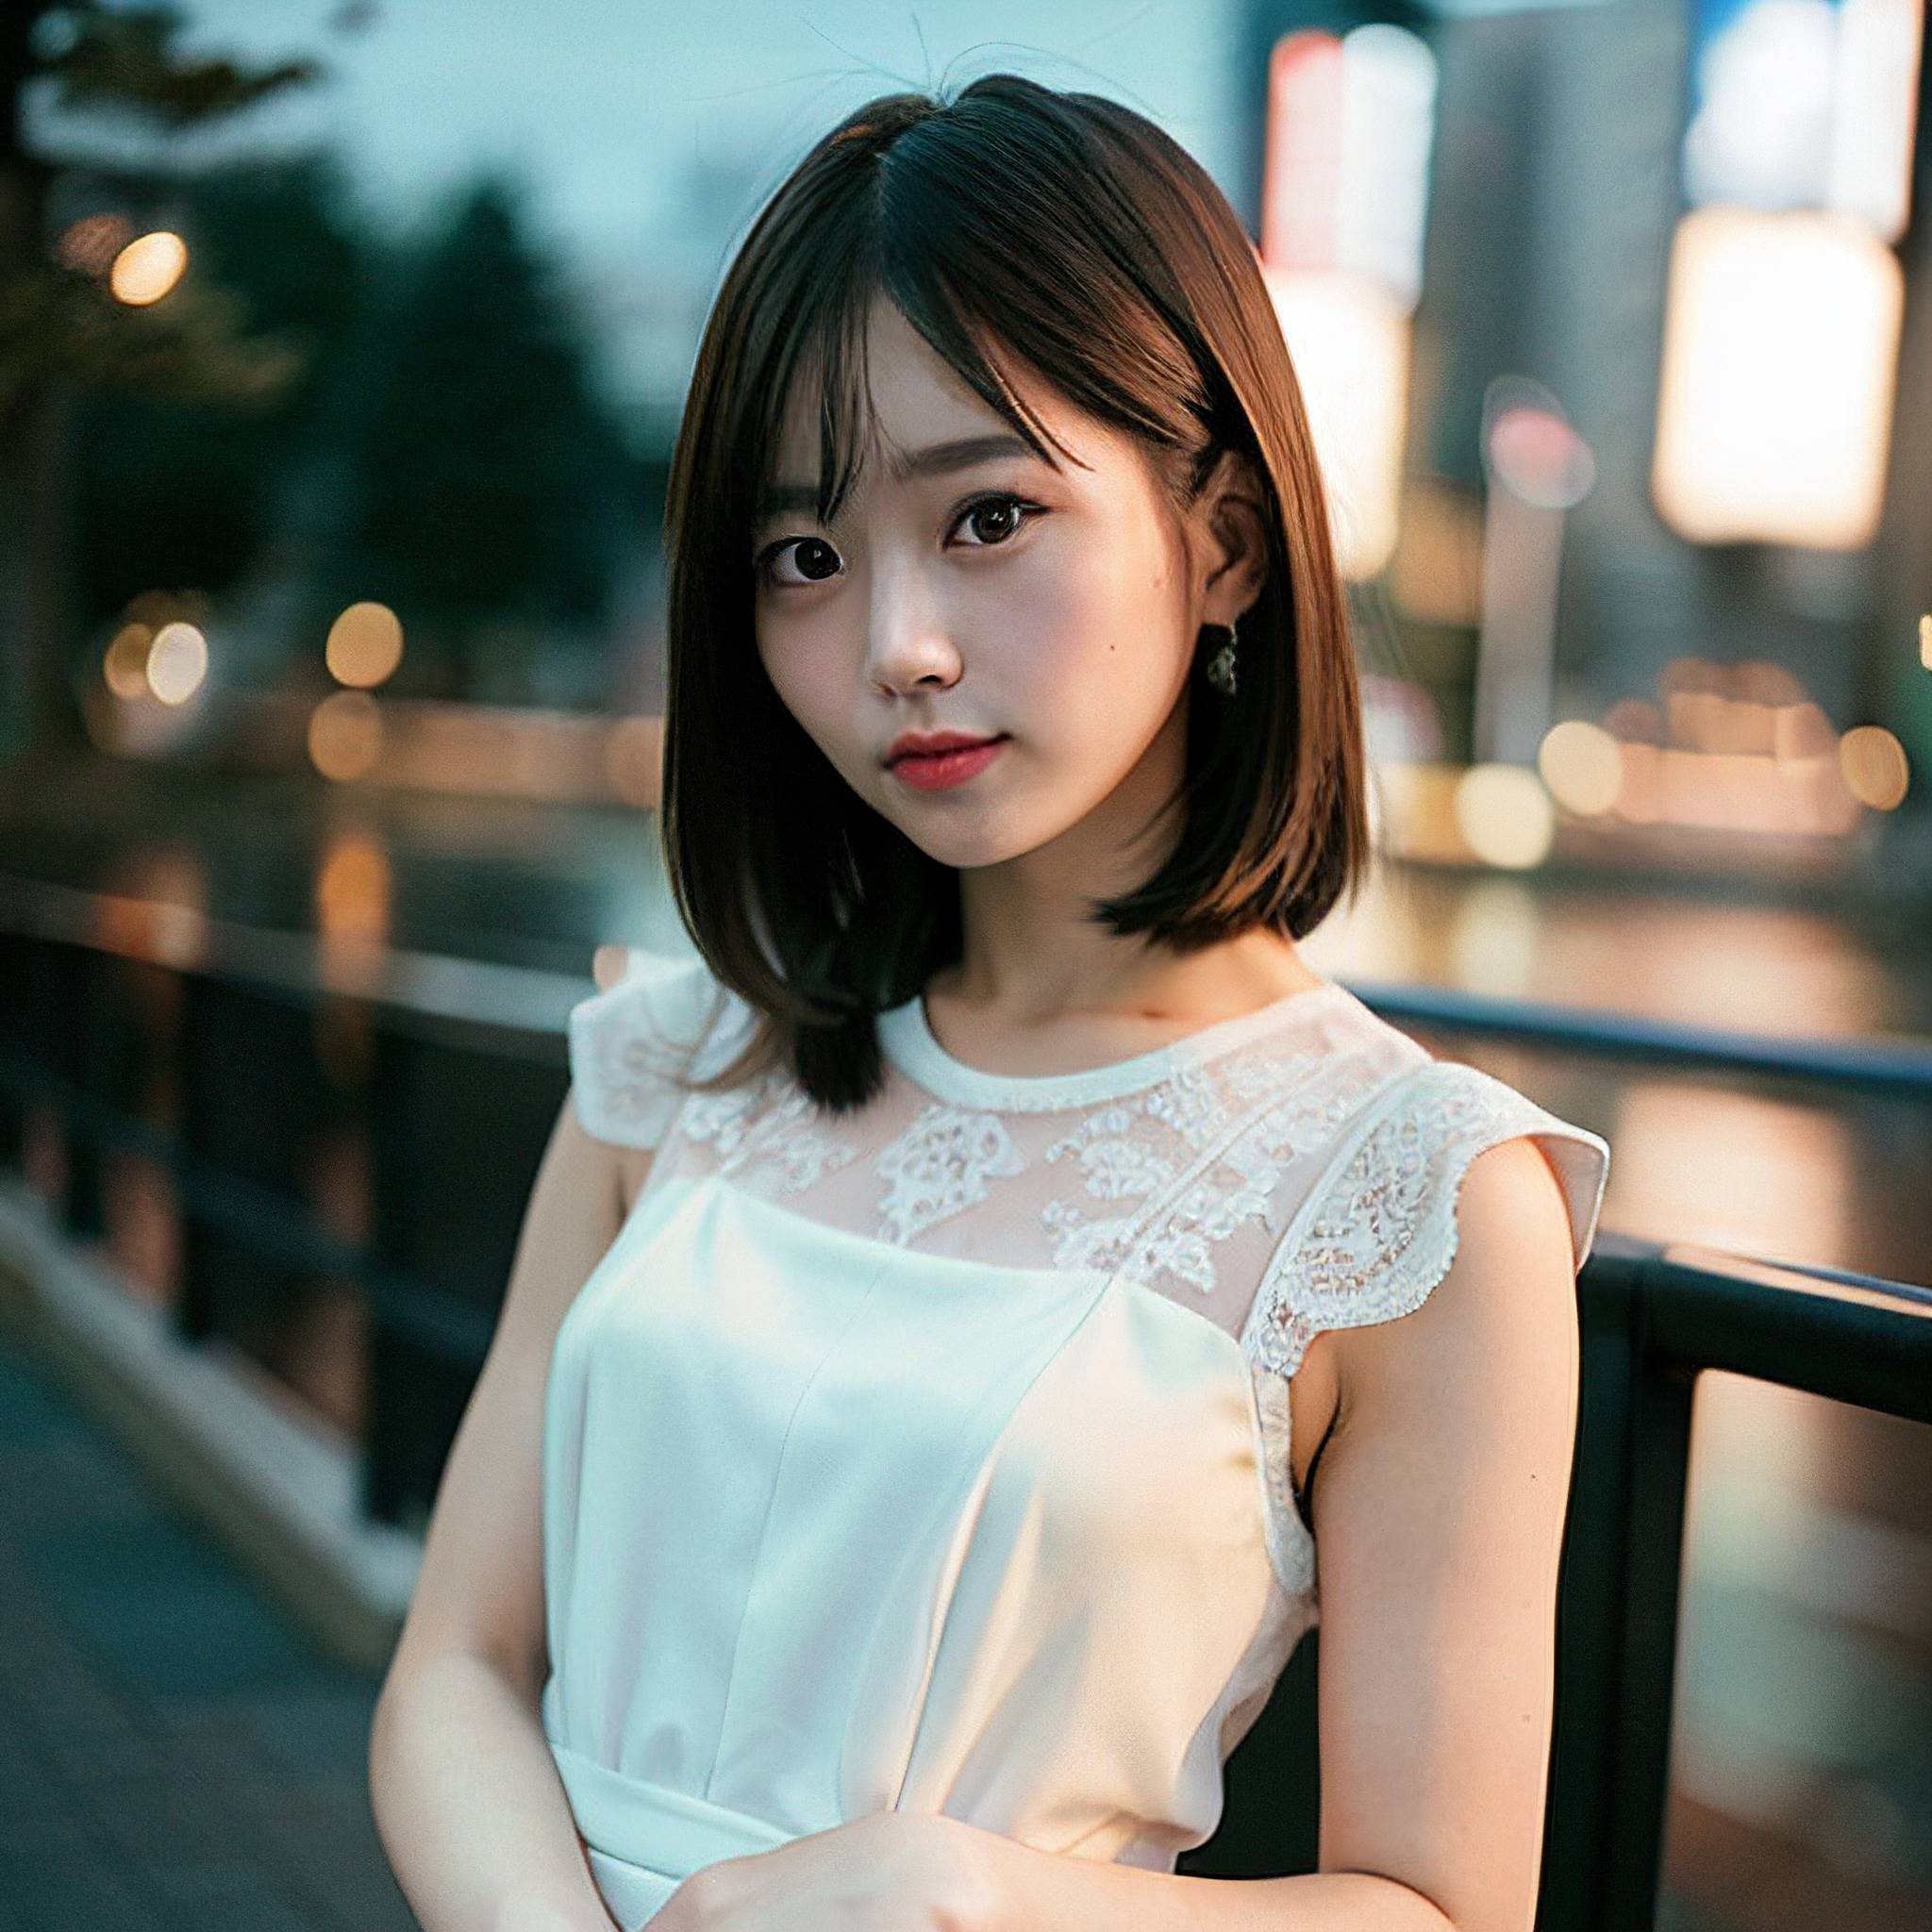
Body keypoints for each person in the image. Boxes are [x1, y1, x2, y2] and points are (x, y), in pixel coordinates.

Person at [368, 72, 1611, 1932]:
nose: (893, 647)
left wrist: (967, 1898)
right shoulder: (674, 1060)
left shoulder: (1414, 1199)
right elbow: (457, 1663)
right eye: (804, 556)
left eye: (987, 517)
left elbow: (1439, 1909)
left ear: (1228, 541)